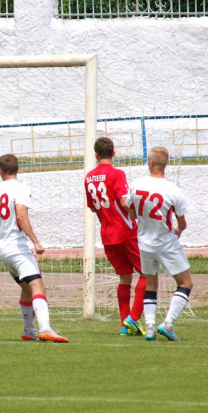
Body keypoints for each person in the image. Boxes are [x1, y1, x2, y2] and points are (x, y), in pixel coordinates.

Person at [0, 154, 68, 343]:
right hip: (18, 248)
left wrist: (1, 235)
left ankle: (28, 330)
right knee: (38, 286)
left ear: (0, 171)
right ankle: (45, 328)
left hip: (4, 250)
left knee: (27, 288)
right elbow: (21, 216)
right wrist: (36, 242)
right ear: (18, 169)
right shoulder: (20, 188)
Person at [125, 146, 192, 341]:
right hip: (166, 243)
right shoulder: (173, 189)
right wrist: (178, 229)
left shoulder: (136, 184)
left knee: (151, 284)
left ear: (151, 163)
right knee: (186, 282)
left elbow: (131, 213)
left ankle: (151, 327)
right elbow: (182, 222)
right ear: (166, 165)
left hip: (144, 243)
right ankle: (168, 323)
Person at [84, 137, 147, 336]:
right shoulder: (117, 174)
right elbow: (123, 200)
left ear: (95, 155)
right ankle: (134, 318)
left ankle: (124, 325)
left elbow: (93, 207)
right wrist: (136, 213)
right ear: (114, 153)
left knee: (125, 277)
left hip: (107, 234)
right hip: (126, 231)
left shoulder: (89, 177)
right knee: (147, 273)